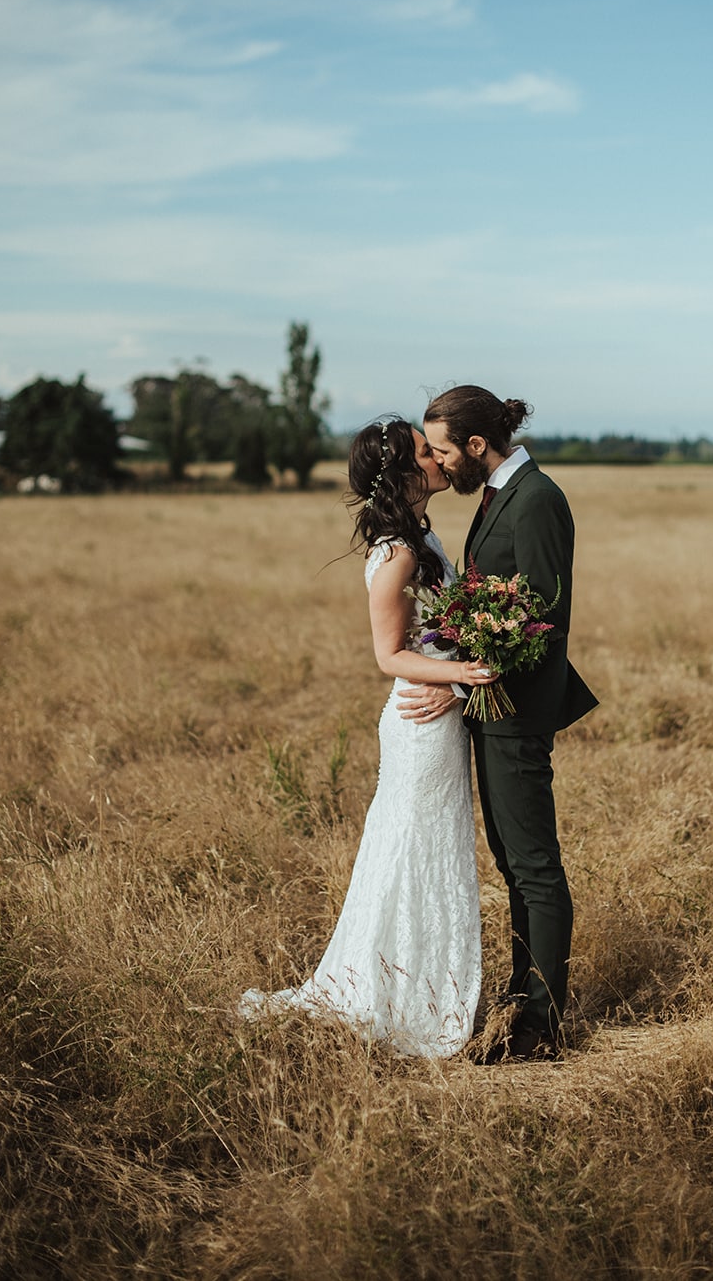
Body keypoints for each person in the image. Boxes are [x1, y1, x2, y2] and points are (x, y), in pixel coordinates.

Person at [238, 416, 495, 1057]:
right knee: (413, 853)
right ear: (405, 474)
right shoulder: (400, 552)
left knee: (422, 851)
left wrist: (458, 666)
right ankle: (399, 997)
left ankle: (417, 983)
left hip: (436, 711)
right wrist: (462, 672)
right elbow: (389, 655)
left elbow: (429, 631)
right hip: (420, 725)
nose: (437, 459)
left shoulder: (416, 536)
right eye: (423, 453)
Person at [399, 386, 598, 1062]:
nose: (440, 463)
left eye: (445, 451)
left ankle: (541, 1027)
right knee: (512, 864)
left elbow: (540, 617)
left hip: (515, 709)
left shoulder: (537, 499)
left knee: (534, 867)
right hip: (494, 707)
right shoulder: (497, 497)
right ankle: (521, 999)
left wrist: (466, 684)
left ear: (477, 447)